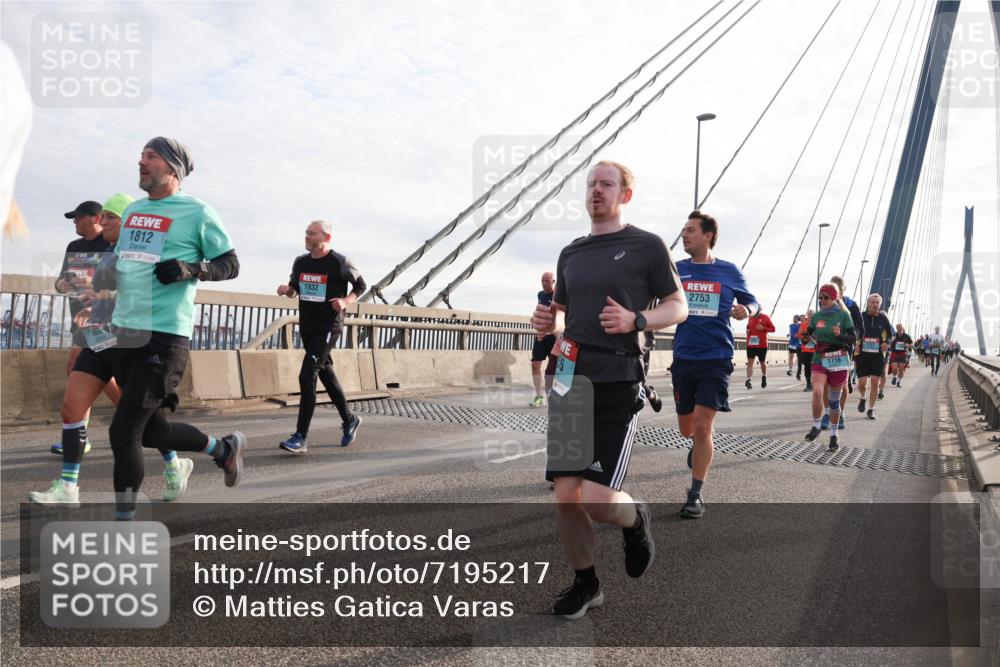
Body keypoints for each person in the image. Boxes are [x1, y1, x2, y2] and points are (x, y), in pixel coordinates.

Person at [530, 161, 687, 619]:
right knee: (565, 494)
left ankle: (635, 517)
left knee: (598, 501)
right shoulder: (572, 252)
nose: (597, 191)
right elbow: (560, 309)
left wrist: (637, 320)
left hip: (618, 380)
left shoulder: (647, 246)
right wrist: (547, 320)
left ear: (625, 195)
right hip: (569, 379)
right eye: (591, 185)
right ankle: (586, 584)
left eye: (607, 185)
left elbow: (678, 307)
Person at [108, 137, 243, 520]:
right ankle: (223, 449)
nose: (141, 161)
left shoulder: (197, 211)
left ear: (172, 168)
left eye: (150, 156)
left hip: (164, 337)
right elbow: (123, 264)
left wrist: (192, 269)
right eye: (141, 155)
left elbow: (230, 263)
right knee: (151, 433)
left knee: (123, 432)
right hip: (124, 333)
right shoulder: (133, 211)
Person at [30, 194, 195, 506]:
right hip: (90, 331)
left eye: (109, 217)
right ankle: (68, 486)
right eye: (103, 217)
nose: (103, 222)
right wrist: (66, 290)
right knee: (73, 407)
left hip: (124, 340)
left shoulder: (131, 252)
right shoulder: (78, 248)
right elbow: (72, 285)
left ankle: (178, 462)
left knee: (138, 417)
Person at [672, 210, 761, 518]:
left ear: (707, 235)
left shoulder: (728, 271)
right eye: (683, 230)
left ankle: (695, 494)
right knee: (687, 429)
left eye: (690, 230)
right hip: (684, 357)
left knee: (702, 424)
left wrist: (745, 310)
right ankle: (697, 447)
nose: (684, 235)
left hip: (716, 358)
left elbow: (754, 301)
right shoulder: (676, 268)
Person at [276, 220, 366, 453]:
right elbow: (294, 290)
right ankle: (349, 420)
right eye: (306, 232)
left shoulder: (340, 261)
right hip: (308, 327)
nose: (306, 236)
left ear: (326, 238)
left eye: (311, 233)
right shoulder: (301, 262)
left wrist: (346, 301)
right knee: (324, 372)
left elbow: (361, 286)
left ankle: (300, 436)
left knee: (307, 375)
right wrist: (287, 290)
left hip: (329, 326)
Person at [49, 200, 114, 453]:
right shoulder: (73, 246)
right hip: (80, 319)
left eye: (78, 217)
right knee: (94, 371)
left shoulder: (109, 244)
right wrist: (61, 285)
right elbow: (61, 279)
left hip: (101, 318)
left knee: (83, 369)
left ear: (95, 217)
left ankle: (145, 425)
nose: (74, 222)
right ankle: (144, 423)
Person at [803, 284, 856, 451]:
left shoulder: (844, 315)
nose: (822, 300)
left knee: (834, 402)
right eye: (820, 298)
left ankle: (834, 435)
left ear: (834, 298)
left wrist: (840, 335)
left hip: (839, 360)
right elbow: (808, 335)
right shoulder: (816, 316)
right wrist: (805, 338)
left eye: (826, 297)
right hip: (820, 357)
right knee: (818, 391)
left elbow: (853, 338)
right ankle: (816, 426)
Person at [821, 275, 862, 430]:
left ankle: (841, 413)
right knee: (825, 381)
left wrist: (849, 338)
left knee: (842, 383)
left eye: (839, 290)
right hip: (826, 347)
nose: (836, 293)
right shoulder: (824, 301)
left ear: (844, 290)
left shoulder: (852, 306)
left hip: (844, 348)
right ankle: (827, 413)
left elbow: (859, 328)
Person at [854, 294, 893, 420]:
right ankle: (863, 397)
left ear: (880, 305)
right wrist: (856, 343)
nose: (874, 305)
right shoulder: (860, 316)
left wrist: (886, 343)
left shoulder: (883, 318)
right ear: (868, 303)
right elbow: (854, 332)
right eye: (872, 302)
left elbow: (890, 335)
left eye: (877, 302)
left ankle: (871, 409)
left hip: (877, 355)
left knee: (875, 383)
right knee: (862, 383)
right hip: (862, 355)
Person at [529, 272, 557, 407]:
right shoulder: (540, 294)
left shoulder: (558, 295)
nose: (544, 283)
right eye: (542, 281)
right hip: (540, 336)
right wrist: (534, 319)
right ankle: (538, 396)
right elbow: (539, 311)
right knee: (535, 364)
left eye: (547, 281)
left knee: (553, 369)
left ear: (553, 281)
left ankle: (553, 396)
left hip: (554, 337)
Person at [744, 310, 774, 389]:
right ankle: (749, 380)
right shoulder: (750, 317)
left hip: (762, 345)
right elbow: (748, 327)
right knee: (750, 363)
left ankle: (764, 376)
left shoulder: (765, 317)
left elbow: (773, 329)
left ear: (759, 309)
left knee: (762, 363)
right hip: (751, 344)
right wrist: (747, 331)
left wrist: (763, 328)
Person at [889, 323, 913, 387]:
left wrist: (908, 345)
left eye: (900, 327)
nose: (899, 329)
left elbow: (911, 344)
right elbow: (890, 343)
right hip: (894, 353)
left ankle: (898, 382)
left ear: (903, 328)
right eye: (898, 328)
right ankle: (894, 377)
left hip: (902, 354)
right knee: (894, 368)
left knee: (901, 369)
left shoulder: (906, 336)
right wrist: (891, 342)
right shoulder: (894, 335)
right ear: (896, 329)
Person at [799, 309, 815, 391]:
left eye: (811, 314)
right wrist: (804, 336)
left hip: (816, 350)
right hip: (806, 349)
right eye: (809, 314)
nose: (810, 316)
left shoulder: (818, 324)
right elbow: (799, 335)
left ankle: (815, 383)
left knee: (816, 368)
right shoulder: (803, 324)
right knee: (807, 367)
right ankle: (808, 384)